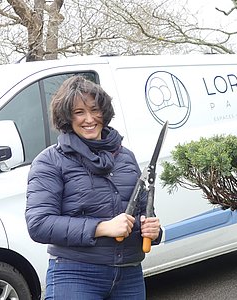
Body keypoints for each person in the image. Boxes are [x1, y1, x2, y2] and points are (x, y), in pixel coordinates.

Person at [25, 75, 162, 299]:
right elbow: (39, 224)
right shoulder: (50, 161)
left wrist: (153, 231)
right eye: (79, 112)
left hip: (129, 276)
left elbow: (145, 213)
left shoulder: (126, 157)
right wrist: (102, 228)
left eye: (95, 110)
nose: (89, 119)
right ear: (67, 117)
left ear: (104, 113)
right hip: (75, 275)